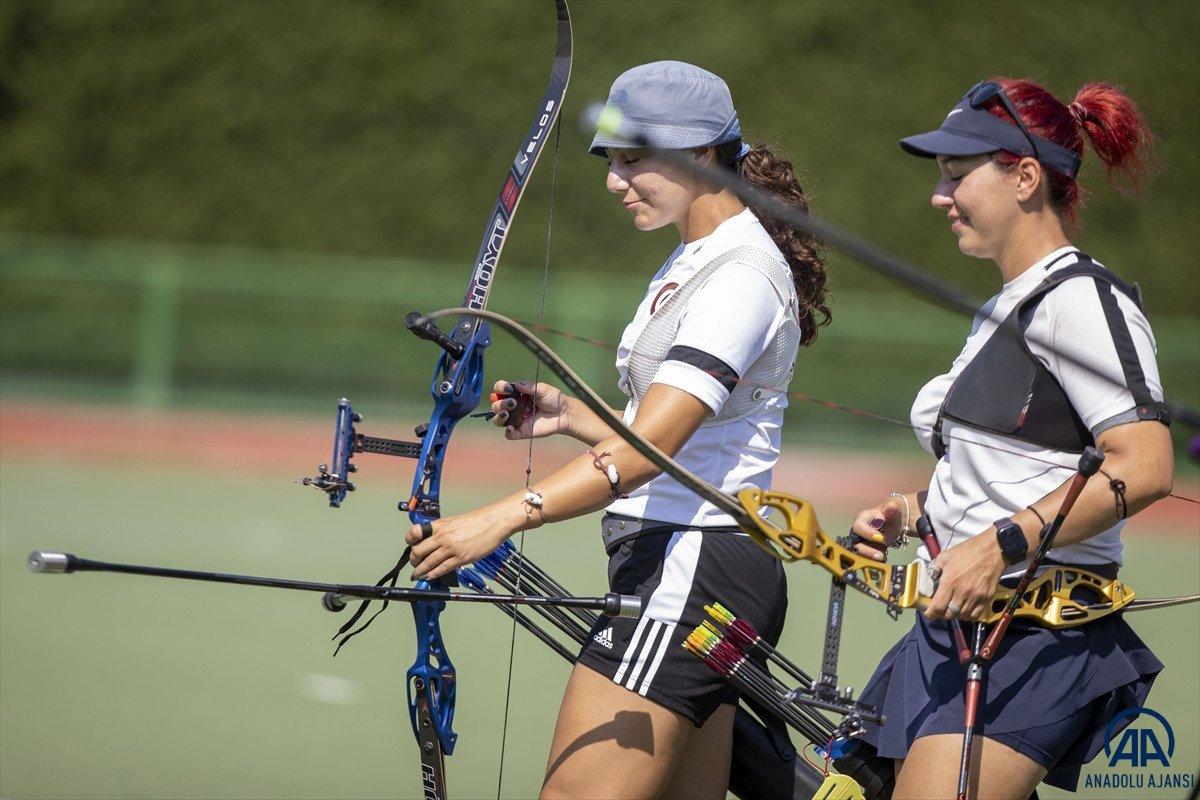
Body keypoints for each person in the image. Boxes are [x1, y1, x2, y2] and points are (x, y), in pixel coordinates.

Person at [405, 61, 828, 799]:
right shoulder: (701, 256)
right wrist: (573, 417)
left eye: (635, 160)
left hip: (691, 568)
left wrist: (501, 518)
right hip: (686, 566)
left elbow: (650, 450)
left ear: (700, 156)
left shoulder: (738, 273)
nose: (615, 179)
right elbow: (673, 428)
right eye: (612, 161)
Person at [847, 77, 1174, 800]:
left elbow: (1145, 465)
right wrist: (915, 509)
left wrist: (997, 546)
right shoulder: (1004, 305)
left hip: (1033, 642)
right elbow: (1018, 464)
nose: (940, 196)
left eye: (957, 176)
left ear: (1025, 176)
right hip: (956, 633)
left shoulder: (1083, 299)